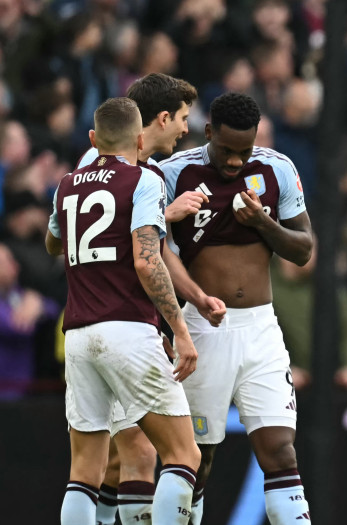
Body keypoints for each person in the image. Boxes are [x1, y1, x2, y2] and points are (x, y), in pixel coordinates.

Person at [76, 72, 227, 525]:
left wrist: (195, 299)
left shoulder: (91, 166)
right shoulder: (132, 172)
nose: (186, 129)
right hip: (122, 319)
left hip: (91, 322)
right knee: (167, 453)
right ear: (161, 118)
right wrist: (167, 213)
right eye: (182, 118)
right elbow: (135, 250)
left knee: (124, 459)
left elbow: (71, 235)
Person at [158, 92, 314, 523]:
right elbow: (153, 252)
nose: (234, 162)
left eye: (243, 152)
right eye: (227, 150)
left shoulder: (276, 168)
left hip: (262, 329)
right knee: (195, 459)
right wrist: (196, 299)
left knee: (281, 452)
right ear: (208, 132)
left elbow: (303, 250)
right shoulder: (173, 173)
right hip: (203, 329)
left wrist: (262, 222)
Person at [48, 97, 201, 525]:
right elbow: (146, 261)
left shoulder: (66, 184)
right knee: (182, 454)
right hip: (128, 329)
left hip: (77, 334)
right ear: (139, 139)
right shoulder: (142, 180)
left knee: (84, 473)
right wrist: (179, 330)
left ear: (94, 139)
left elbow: (52, 242)